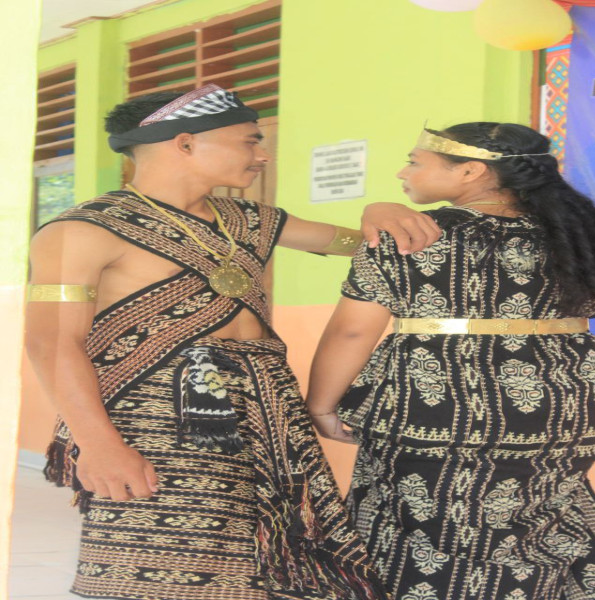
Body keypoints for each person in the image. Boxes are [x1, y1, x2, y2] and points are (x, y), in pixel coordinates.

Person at [25, 84, 441, 600]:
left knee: (271, 562)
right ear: (184, 142)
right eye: (249, 140)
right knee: (166, 565)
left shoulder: (250, 219)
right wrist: (99, 444)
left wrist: (378, 209)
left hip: (267, 411)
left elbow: (366, 245)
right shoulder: (82, 230)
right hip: (157, 418)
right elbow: (51, 345)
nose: (262, 155)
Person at [306, 122, 595, 600]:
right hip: (561, 415)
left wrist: (321, 406)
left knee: (419, 536)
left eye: (415, 162)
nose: (402, 172)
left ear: (471, 171)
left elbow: (352, 332)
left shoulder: (405, 236)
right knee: (533, 530)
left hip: (431, 414)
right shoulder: (583, 239)